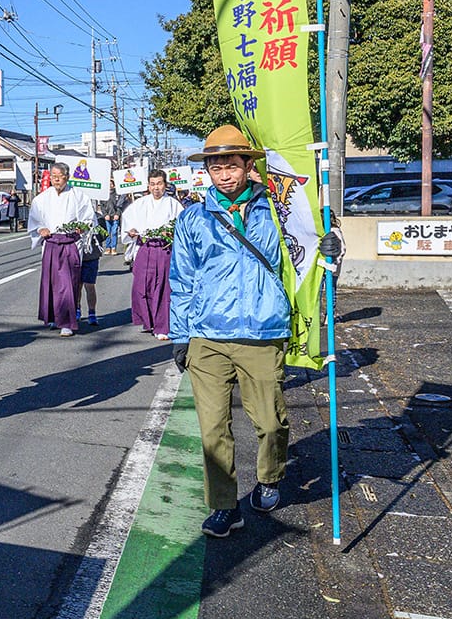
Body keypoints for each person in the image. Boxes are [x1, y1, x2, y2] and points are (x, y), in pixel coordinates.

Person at [168, 126, 341, 539]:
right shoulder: (193, 218)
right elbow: (182, 279)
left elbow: (314, 248)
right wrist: (180, 334)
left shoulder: (280, 211)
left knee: (270, 422)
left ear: (249, 165)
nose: (223, 174)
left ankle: (269, 476)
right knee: (213, 429)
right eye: (215, 166)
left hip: (264, 333)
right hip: (207, 336)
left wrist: (333, 243)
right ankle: (225, 506)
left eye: (231, 165)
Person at [27, 163, 95, 336]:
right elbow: (35, 220)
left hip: (70, 243)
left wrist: (83, 227)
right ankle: (54, 318)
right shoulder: (42, 198)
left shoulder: (79, 196)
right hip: (50, 242)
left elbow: (89, 219)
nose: (56, 179)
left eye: (60, 175)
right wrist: (40, 229)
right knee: (51, 282)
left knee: (68, 282)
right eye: (53, 175)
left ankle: (67, 322)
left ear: (67, 176)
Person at [122, 169, 184, 340]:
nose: (156, 188)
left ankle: (162, 325)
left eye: (159, 183)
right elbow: (128, 223)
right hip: (145, 248)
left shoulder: (174, 204)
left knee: (163, 287)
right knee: (142, 286)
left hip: (164, 249)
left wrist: (172, 234)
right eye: (153, 184)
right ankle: (148, 321)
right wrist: (131, 231)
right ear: (148, 186)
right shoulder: (139, 204)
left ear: (165, 185)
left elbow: (181, 227)